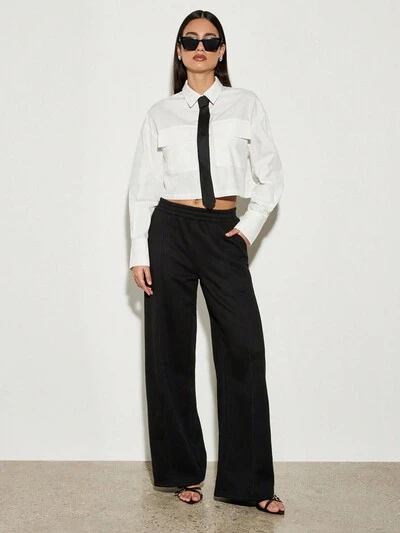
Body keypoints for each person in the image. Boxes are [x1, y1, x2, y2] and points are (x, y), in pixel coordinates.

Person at [128, 10, 285, 515]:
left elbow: (270, 176)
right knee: (169, 351)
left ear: (222, 50)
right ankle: (181, 471)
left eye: (210, 40)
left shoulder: (246, 104)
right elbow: (143, 187)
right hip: (169, 230)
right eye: (191, 40)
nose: (200, 47)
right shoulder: (160, 113)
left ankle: (250, 482)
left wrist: (247, 228)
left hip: (222, 232)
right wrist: (139, 249)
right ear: (179, 50)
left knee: (243, 349)